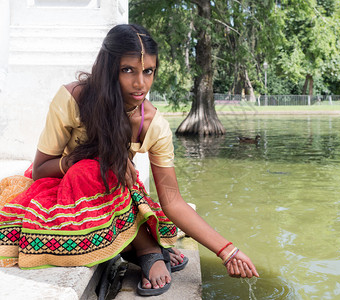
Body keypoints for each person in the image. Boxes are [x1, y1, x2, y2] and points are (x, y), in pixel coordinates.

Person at [0, 24, 258, 296]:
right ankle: (146, 248)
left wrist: (227, 250)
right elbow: (41, 170)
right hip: (63, 186)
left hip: (115, 191)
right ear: (109, 69)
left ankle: (141, 246)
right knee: (93, 169)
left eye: (148, 71)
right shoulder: (74, 98)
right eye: (128, 70)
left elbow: (171, 200)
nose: (140, 83)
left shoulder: (153, 125)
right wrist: (90, 159)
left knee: (117, 173)